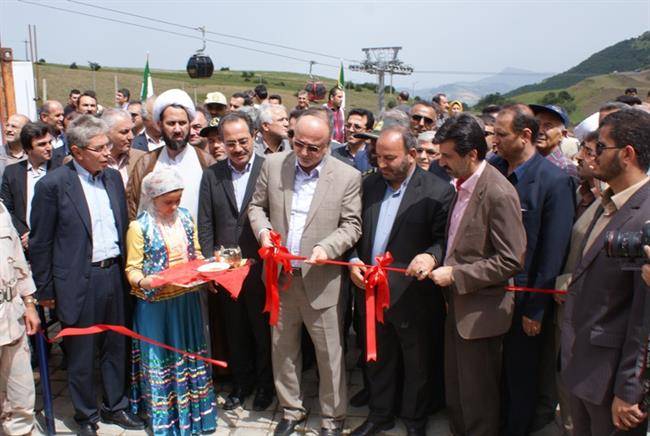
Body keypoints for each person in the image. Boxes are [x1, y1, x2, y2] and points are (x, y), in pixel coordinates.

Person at [29, 115, 145, 436]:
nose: (109, 152)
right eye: (100, 148)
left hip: (113, 276)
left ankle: (115, 405)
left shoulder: (111, 179)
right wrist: (46, 290)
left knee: (115, 345)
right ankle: (86, 414)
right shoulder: (53, 186)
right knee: (81, 352)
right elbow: (41, 242)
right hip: (77, 281)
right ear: (78, 152)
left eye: (109, 145)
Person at [248, 110, 362, 436]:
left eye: (314, 147)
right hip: (280, 278)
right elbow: (256, 207)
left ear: (328, 145)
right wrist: (264, 233)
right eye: (299, 144)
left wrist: (328, 247)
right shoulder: (273, 165)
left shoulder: (347, 177)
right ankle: (291, 409)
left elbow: (352, 225)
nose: (304, 153)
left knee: (329, 354)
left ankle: (331, 418)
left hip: (321, 281)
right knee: (283, 350)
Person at [348, 126, 453, 436]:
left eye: (390, 158)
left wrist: (432, 257)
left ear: (412, 154)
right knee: (377, 360)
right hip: (370, 292)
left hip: (413, 297)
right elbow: (353, 229)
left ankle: (415, 420)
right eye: (378, 158)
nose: (382, 165)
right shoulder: (369, 186)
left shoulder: (439, 191)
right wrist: (354, 259)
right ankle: (380, 416)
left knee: (417, 364)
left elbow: (444, 241)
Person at [430, 113, 526, 436]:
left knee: (479, 401)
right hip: (457, 309)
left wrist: (456, 275)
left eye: (447, 156)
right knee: (457, 394)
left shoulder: (498, 193)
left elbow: (511, 259)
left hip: (481, 315)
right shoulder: (461, 185)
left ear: (472, 154)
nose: (440, 162)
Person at [561, 108, 650, 435]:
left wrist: (629, 391)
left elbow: (644, 317)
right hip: (582, 368)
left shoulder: (645, 216)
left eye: (600, 147)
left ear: (627, 154)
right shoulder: (606, 202)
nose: (590, 154)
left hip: (612, 383)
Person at [491, 104, 576, 436]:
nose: (493, 141)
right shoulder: (494, 168)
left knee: (520, 374)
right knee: (493, 372)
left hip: (525, 298)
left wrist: (536, 310)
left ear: (525, 136)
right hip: (489, 291)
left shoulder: (554, 181)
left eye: (500, 134)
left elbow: (553, 251)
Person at [125, 168, 217, 435]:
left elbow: (196, 253)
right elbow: (132, 270)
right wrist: (147, 281)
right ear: (153, 198)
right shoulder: (139, 227)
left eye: (178, 199)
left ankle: (196, 418)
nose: (174, 206)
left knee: (189, 354)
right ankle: (166, 422)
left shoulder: (186, 218)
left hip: (185, 301)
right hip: (156, 306)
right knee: (160, 357)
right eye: (169, 202)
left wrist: (210, 269)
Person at [197, 112, 274, 413]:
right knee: (235, 330)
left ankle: (266, 386)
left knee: (262, 331)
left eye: (243, 141)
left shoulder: (270, 170)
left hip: (260, 266)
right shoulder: (212, 175)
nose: (238, 148)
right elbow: (205, 222)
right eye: (231, 143)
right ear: (221, 143)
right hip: (226, 269)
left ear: (254, 136)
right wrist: (209, 266)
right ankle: (242, 385)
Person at [127, 89, 215, 221]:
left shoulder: (206, 162)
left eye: (182, 123)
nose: (178, 129)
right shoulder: (146, 163)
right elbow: (132, 206)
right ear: (159, 125)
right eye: (171, 123)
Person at [0, 202, 40, 436]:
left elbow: (17, 260)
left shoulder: (1, 209)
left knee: (21, 395)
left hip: (11, 315)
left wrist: (29, 303)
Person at [1, 121, 65, 248]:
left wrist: (38, 235)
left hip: (56, 244)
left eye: (50, 142)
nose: (49, 147)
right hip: (24, 244)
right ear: (27, 149)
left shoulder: (62, 168)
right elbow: (8, 209)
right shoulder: (12, 172)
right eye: (42, 144)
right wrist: (25, 234)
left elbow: (66, 208)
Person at [530, 104, 578, 180]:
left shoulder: (565, 169)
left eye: (548, 126)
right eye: (537, 124)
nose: (539, 131)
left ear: (562, 134)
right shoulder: (526, 162)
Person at [101, 109, 145, 188]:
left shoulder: (142, 158)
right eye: (124, 132)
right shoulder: (90, 160)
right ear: (107, 132)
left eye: (132, 131)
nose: (131, 137)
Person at [0, 114, 30, 178]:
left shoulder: (33, 153)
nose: (8, 129)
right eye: (7, 125)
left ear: (26, 130)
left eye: (14, 126)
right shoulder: (1, 154)